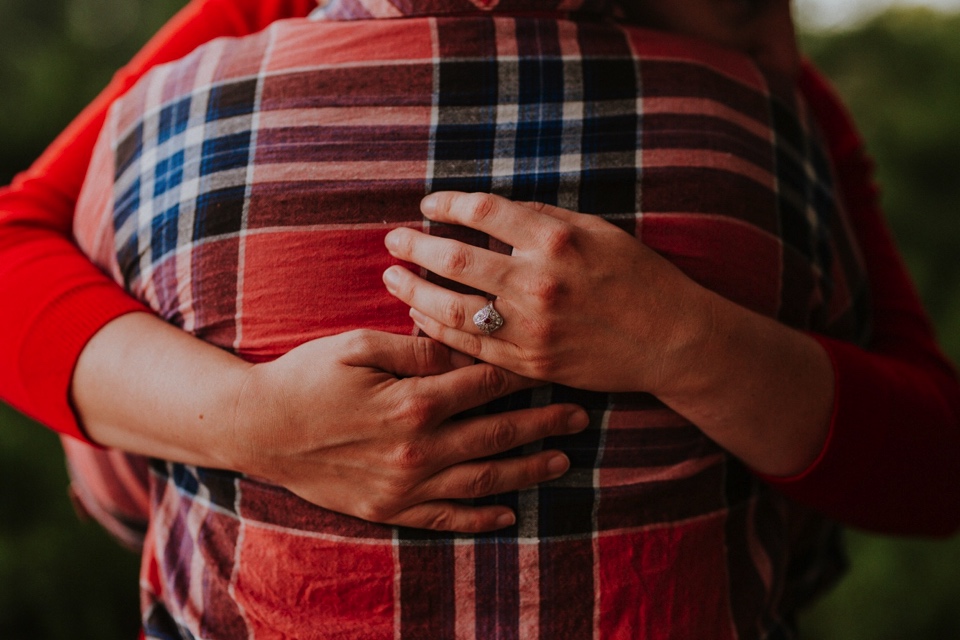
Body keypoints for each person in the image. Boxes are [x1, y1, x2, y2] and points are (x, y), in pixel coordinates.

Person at [0, 0, 956, 637]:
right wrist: (256, 424)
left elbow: (935, 464)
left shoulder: (782, 100)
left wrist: (688, 342)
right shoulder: (245, 26)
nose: (779, 51)